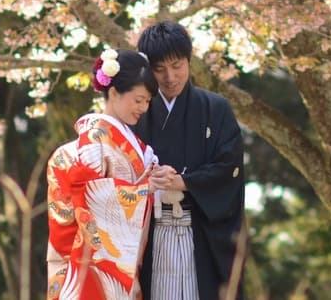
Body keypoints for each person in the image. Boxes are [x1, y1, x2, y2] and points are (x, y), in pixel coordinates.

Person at [134, 21, 245, 300]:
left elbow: (229, 167)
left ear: (189, 61)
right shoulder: (137, 111)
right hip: (150, 233)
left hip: (201, 233)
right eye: (160, 69)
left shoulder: (216, 108)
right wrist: (150, 180)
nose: (170, 77)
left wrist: (183, 181)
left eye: (177, 65)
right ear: (149, 69)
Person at [46, 48, 159, 300]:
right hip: (94, 267)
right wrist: (144, 190)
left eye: (148, 101)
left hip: (124, 266)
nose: (143, 108)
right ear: (114, 92)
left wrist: (157, 179)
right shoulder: (95, 140)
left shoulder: (134, 143)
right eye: (138, 99)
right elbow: (87, 197)